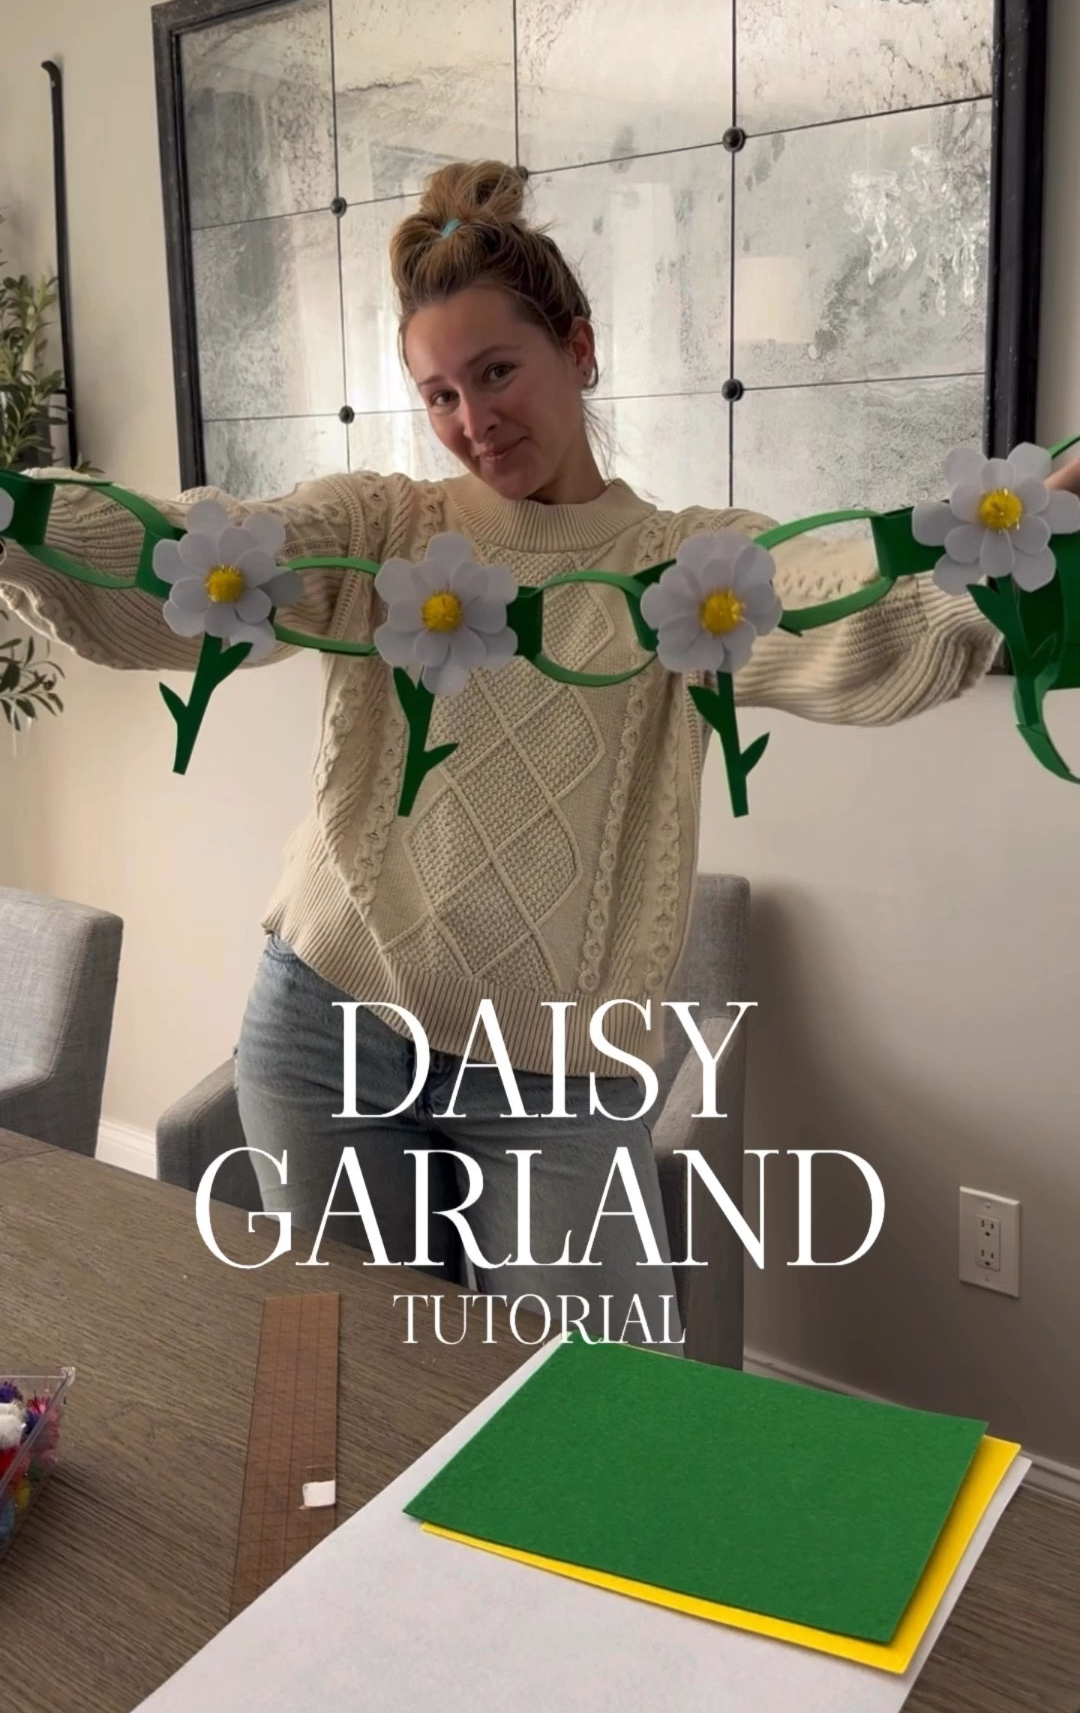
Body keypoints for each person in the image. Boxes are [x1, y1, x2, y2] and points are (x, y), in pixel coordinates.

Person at [2, 160, 1072, 1353]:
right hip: (328, 1029)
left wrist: (1019, 558)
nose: (474, 421)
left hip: (554, 1079)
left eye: (497, 372)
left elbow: (847, 605)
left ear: (579, 347)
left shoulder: (687, 568)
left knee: (601, 1412)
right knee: (355, 1390)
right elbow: (189, 568)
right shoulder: (383, 528)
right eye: (440, 395)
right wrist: (19, 521)